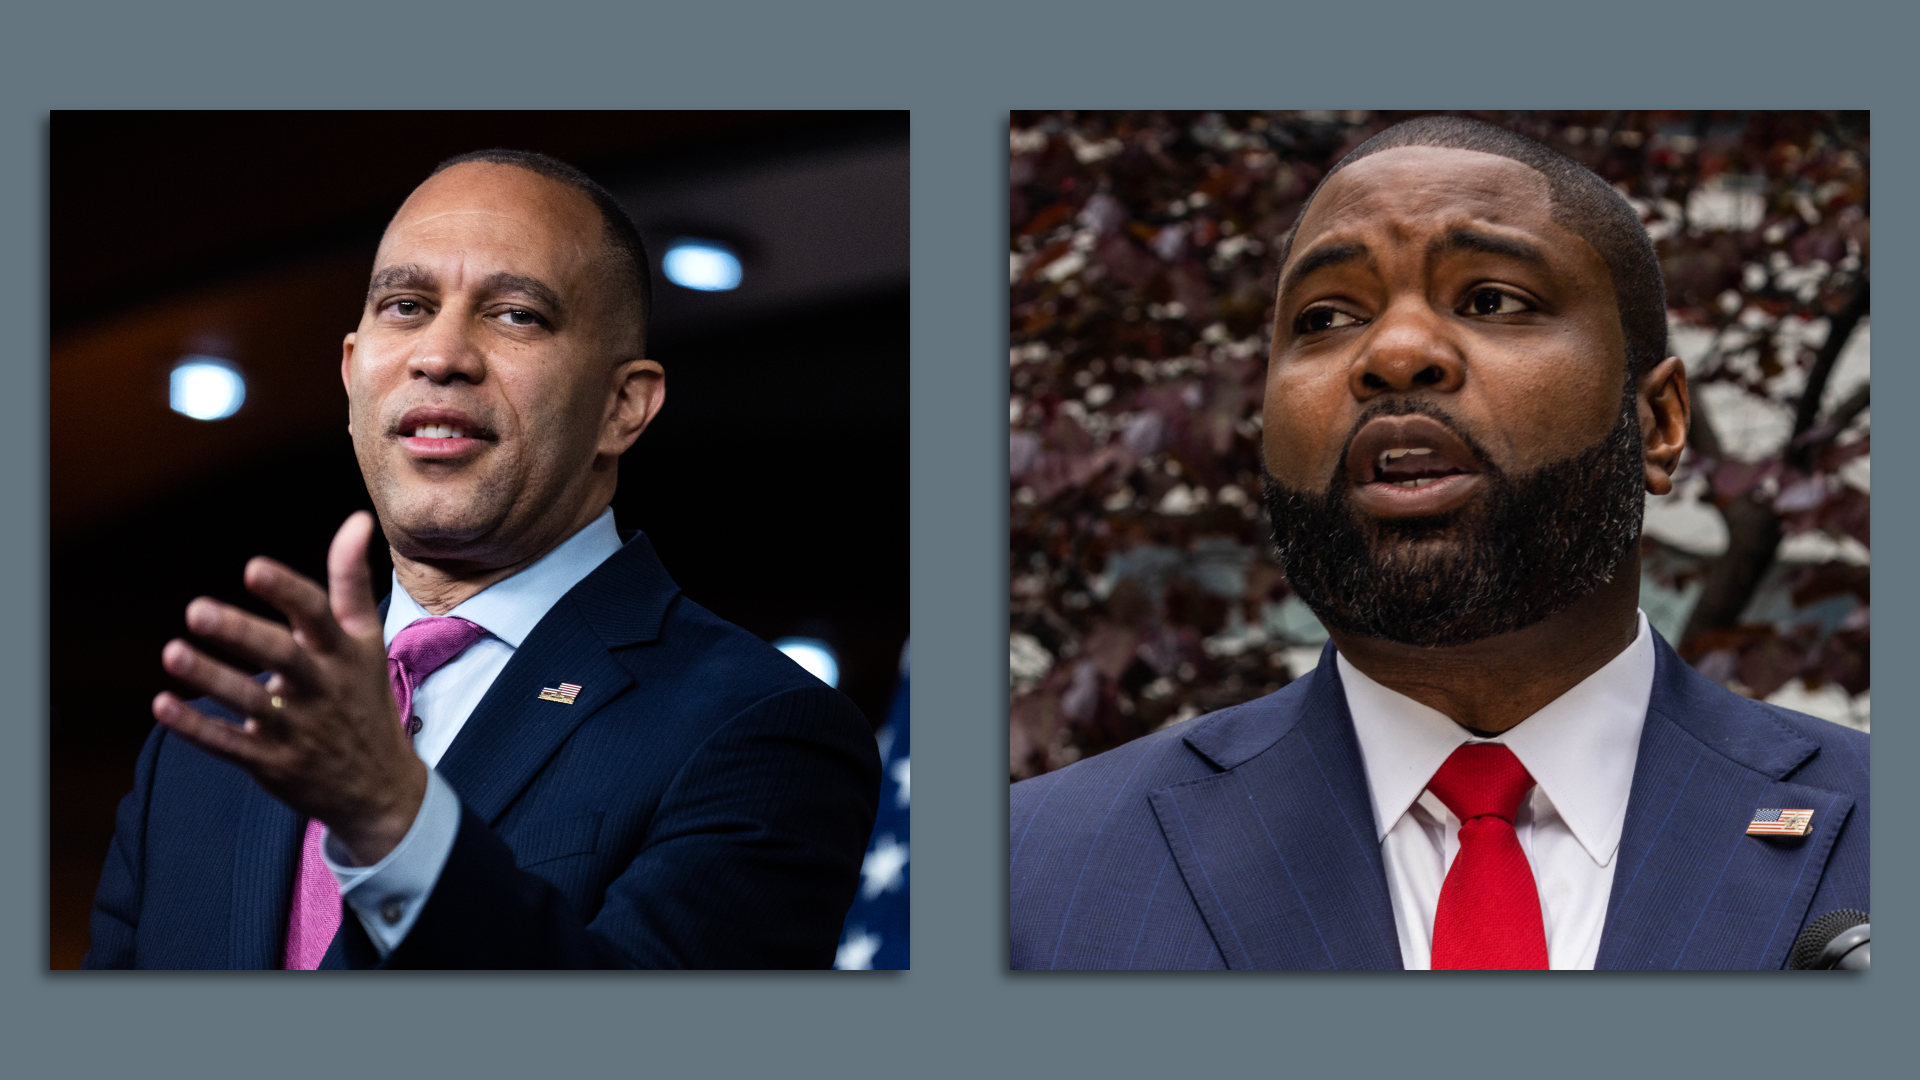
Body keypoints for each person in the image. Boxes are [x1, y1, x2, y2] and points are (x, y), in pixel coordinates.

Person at [1008, 117, 1868, 971]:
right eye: (1325, 316)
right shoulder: (1026, 875)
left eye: (1492, 299)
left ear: (1658, 423)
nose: (1396, 353)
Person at [86, 149, 881, 969]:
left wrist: (397, 829)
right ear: (352, 371)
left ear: (623, 406)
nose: (441, 355)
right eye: (406, 305)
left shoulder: (761, 728)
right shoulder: (205, 744)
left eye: (516, 316)